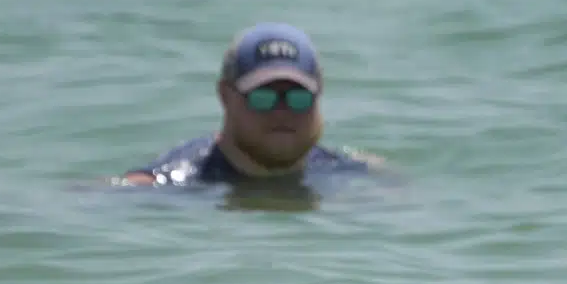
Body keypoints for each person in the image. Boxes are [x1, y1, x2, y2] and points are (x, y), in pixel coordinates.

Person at [119, 22, 381, 187]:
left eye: (298, 98)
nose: (282, 112)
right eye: (263, 97)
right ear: (225, 96)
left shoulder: (352, 173)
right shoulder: (167, 184)